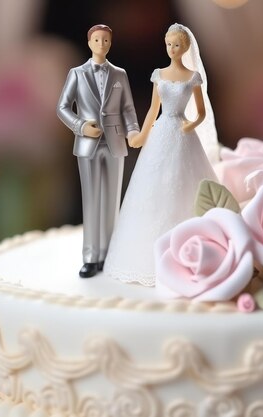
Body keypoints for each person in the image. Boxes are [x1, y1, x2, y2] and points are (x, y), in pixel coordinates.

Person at [103, 23, 219, 286]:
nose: (172, 49)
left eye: (177, 45)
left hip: (183, 133)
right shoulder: (159, 75)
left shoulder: (192, 77)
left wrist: (189, 125)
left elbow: (200, 112)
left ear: (185, 47)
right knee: (152, 184)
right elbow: (153, 109)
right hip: (161, 132)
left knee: (184, 182)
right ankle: (143, 256)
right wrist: (142, 136)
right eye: (169, 44)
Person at [57, 24, 139, 278]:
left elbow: (127, 108)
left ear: (110, 43)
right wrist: (81, 126)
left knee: (113, 200)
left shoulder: (120, 74)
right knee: (92, 201)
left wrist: (133, 130)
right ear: (90, 41)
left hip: (115, 142)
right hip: (88, 144)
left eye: (106, 40)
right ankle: (91, 257)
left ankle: (112, 255)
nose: (101, 44)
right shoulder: (77, 74)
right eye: (97, 40)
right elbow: (62, 107)